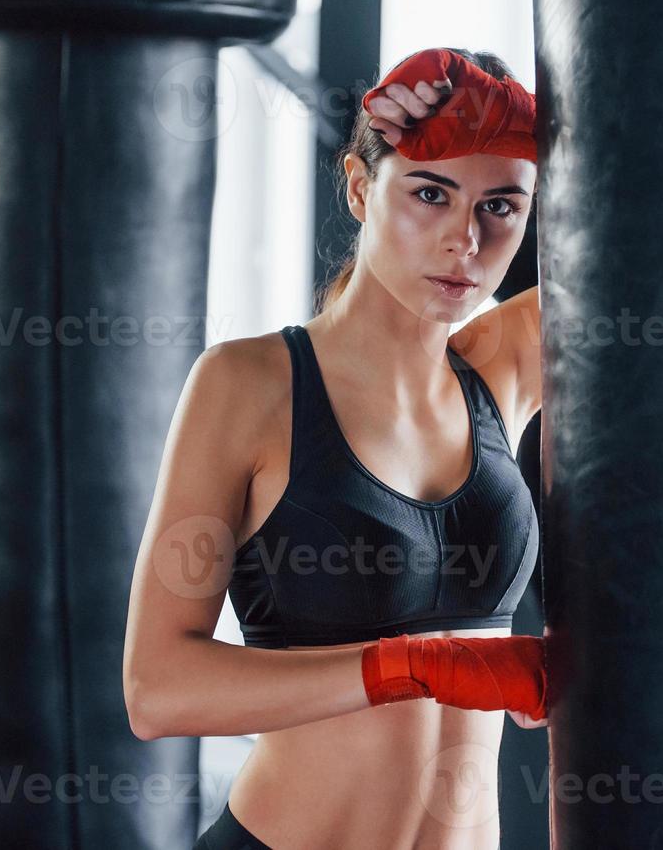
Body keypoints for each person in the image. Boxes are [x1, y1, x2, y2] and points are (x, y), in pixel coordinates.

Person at [123, 47, 546, 849]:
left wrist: (552, 125)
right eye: (430, 192)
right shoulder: (248, 383)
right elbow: (156, 690)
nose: (465, 238)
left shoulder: (504, 365)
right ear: (359, 185)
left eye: (501, 206)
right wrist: (413, 666)